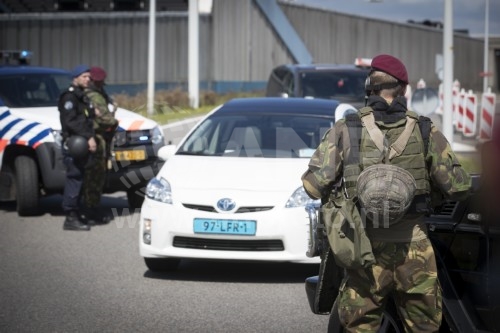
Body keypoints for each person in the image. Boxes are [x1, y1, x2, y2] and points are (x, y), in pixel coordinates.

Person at [302, 54, 472, 332]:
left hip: (364, 250)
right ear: (404, 89)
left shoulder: (346, 129)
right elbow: (458, 186)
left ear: (369, 88)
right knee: (423, 327)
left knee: (359, 326)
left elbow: (312, 186)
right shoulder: (425, 129)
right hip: (414, 248)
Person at [58, 65, 96, 231]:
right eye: (84, 76)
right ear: (76, 78)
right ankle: (70, 217)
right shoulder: (69, 97)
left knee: (80, 177)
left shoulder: (82, 96)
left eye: (89, 77)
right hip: (75, 144)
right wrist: (89, 137)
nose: (88, 79)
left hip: (81, 143)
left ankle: (77, 212)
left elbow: (86, 119)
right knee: (74, 178)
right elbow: (71, 122)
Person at [81, 66, 119, 222]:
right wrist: (114, 121)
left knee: (92, 176)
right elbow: (106, 119)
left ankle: (89, 207)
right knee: (95, 176)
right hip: (96, 138)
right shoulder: (95, 97)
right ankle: (91, 210)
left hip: (92, 137)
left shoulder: (90, 93)